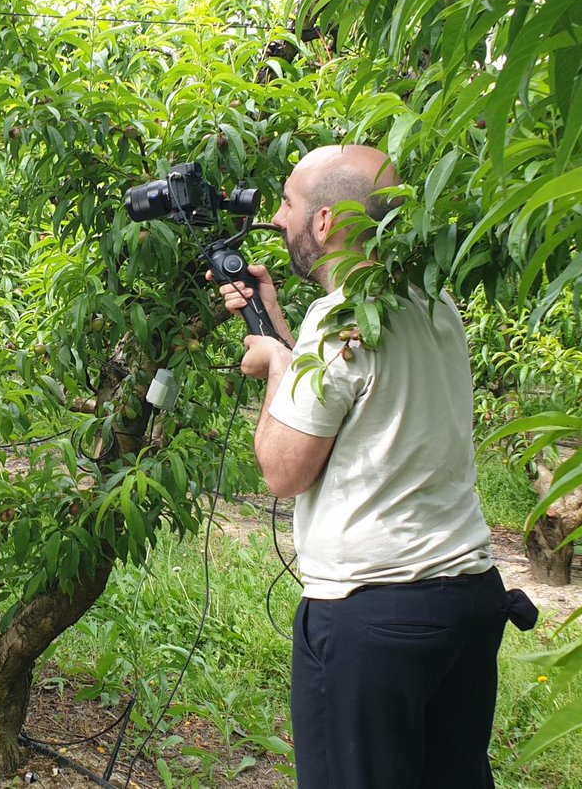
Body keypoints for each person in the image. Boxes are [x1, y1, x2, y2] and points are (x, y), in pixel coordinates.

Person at [216, 145, 510, 789]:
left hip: (377, 618)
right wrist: (283, 335)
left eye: (288, 204)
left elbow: (284, 470)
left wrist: (274, 366)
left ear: (324, 223)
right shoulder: (431, 304)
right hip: (465, 598)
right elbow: (342, 400)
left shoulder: (340, 319)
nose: (277, 219)